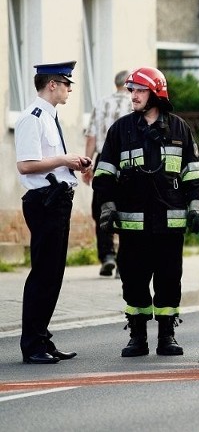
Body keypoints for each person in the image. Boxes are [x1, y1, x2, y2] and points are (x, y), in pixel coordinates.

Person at [92, 67, 199, 357]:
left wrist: (196, 206)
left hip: (170, 224)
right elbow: (104, 174)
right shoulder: (121, 129)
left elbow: (194, 175)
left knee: (169, 279)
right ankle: (137, 336)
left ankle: (167, 336)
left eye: (139, 90)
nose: (133, 96)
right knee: (133, 280)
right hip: (133, 226)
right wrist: (107, 206)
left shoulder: (180, 129)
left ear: (156, 93)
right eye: (131, 90)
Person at [14, 61, 93, 364]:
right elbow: (26, 164)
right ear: (52, 85)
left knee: (53, 274)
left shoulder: (48, 117)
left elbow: (48, 160)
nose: (69, 89)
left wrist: (71, 162)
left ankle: (42, 338)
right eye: (66, 83)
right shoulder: (32, 118)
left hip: (57, 199)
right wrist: (64, 159)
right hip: (45, 200)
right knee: (43, 275)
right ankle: (32, 345)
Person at [83, 70, 132, 277]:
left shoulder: (101, 103)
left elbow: (91, 136)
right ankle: (124, 261)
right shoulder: (134, 103)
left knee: (102, 206)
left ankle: (107, 256)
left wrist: (87, 165)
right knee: (128, 207)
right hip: (129, 159)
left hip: (104, 157)